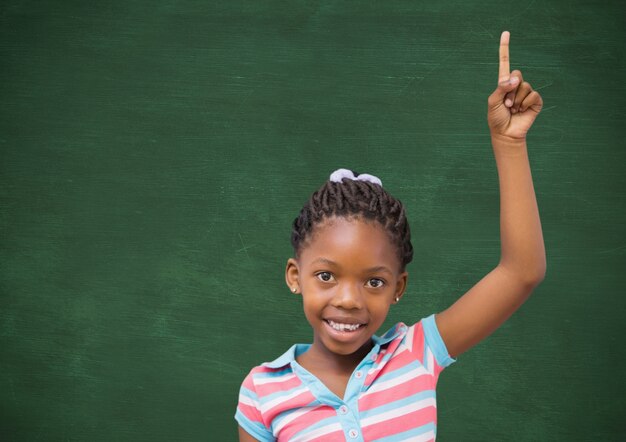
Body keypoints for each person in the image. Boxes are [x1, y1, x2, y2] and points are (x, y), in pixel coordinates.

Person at [235, 30, 545, 441]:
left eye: (374, 281)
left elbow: (522, 271)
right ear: (295, 275)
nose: (348, 300)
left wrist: (509, 142)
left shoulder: (415, 354)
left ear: (399, 287)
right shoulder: (263, 392)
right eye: (326, 276)